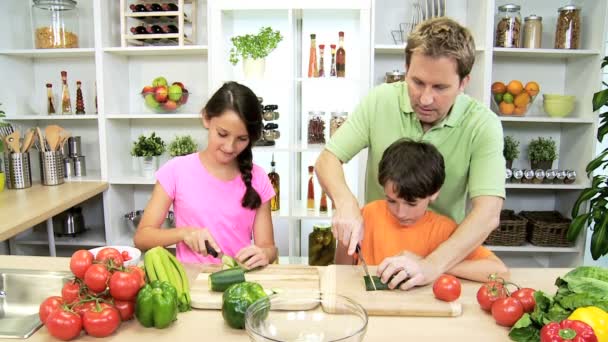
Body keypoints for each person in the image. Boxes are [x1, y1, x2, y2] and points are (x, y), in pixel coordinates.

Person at [316, 17, 505, 289]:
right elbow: (328, 159)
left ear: (464, 82)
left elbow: (488, 213)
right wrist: (346, 203)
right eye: (417, 82)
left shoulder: (483, 124)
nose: (426, 99)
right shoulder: (379, 100)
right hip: (378, 252)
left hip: (443, 262)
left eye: (440, 87)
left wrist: (432, 265)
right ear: (406, 69)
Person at [134, 82, 277, 268]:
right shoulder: (176, 171)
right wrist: (184, 233)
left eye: (242, 139)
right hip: (191, 283)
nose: (229, 147)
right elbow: (142, 237)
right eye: (222, 134)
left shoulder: (258, 177)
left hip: (240, 283)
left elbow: (268, 247)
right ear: (206, 119)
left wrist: (264, 254)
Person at [335, 139, 509, 285]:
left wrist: (430, 264)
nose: (401, 212)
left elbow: (500, 272)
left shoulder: (445, 230)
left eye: (411, 203)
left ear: (434, 193)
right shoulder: (368, 215)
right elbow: (342, 271)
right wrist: (344, 240)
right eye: (392, 201)